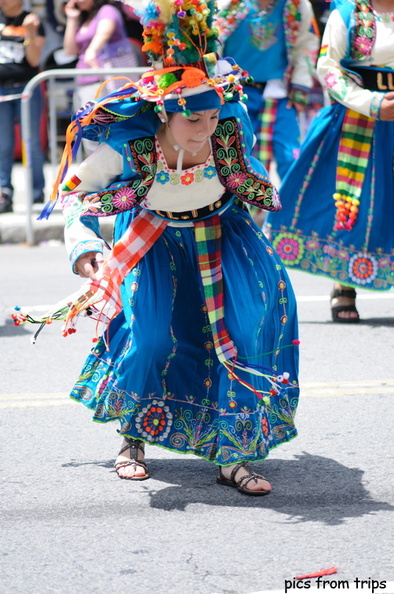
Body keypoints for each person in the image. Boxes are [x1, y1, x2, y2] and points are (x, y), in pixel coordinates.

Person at [14, 0, 300, 496]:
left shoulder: (227, 134)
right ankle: (132, 438)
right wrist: (84, 247)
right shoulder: (131, 148)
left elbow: (255, 181)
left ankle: (233, 453)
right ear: (166, 113)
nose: (208, 128)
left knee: (240, 336)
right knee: (150, 340)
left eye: (214, 116)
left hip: (222, 240)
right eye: (196, 120)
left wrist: (256, 188)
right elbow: (74, 195)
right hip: (156, 242)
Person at [264, 0, 394, 322]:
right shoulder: (349, 14)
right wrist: (372, 103)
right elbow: (329, 68)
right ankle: (345, 283)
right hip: (360, 120)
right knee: (355, 203)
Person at [215, 0, 320, 182]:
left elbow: (306, 45)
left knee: (290, 157)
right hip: (235, 94)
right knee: (237, 155)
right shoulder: (227, 4)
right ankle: (242, 209)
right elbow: (212, 45)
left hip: (279, 93)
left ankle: (289, 208)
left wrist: (300, 85)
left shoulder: (297, 5)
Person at [63, 0, 142, 153]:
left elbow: (105, 31)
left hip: (104, 81)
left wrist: (92, 52)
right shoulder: (86, 18)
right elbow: (70, 49)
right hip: (85, 80)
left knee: (109, 134)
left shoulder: (107, 10)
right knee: (91, 134)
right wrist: (71, 19)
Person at [0, 0, 46, 213]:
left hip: (27, 88)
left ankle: (37, 194)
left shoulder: (33, 21)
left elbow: (34, 60)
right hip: (2, 90)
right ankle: (4, 193)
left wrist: (29, 33)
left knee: (32, 143)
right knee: (4, 145)